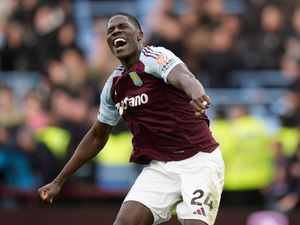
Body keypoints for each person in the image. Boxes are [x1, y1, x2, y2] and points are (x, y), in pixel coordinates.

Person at [38, 12, 224, 225]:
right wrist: (59, 181)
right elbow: (97, 137)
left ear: (139, 35)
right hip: (161, 167)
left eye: (123, 26)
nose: (116, 31)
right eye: (110, 30)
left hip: (198, 161)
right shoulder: (112, 87)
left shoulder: (155, 57)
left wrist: (196, 92)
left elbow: (184, 76)